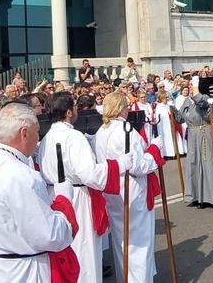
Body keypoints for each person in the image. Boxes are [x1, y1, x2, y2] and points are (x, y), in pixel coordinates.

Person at [0, 103, 78, 282]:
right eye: (37, 132)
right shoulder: (21, 176)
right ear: (24, 133)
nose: (38, 138)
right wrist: (64, 200)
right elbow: (49, 236)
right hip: (24, 272)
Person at [37, 92, 132, 283]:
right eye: (74, 106)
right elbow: (90, 174)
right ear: (69, 112)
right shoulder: (73, 136)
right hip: (76, 197)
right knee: (84, 252)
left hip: (53, 196)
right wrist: (119, 164)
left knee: (66, 251)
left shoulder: (47, 137)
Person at [94, 91, 164, 283]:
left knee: (121, 240)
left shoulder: (101, 131)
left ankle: (127, 278)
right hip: (132, 190)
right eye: (125, 106)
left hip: (114, 191)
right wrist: (154, 150)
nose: (127, 109)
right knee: (139, 242)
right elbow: (138, 165)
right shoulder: (125, 129)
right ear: (120, 109)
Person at [176, 80, 213, 207]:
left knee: (207, 163)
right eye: (189, 86)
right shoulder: (187, 101)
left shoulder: (203, 98)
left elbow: (202, 104)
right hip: (192, 134)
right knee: (194, 163)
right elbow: (179, 118)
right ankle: (197, 196)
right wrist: (172, 110)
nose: (190, 88)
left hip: (203, 131)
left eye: (192, 85)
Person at [152, 90, 187, 160]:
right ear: (161, 99)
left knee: (175, 138)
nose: (166, 99)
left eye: (167, 97)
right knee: (167, 140)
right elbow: (160, 118)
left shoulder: (168, 105)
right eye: (165, 98)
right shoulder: (159, 107)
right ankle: (168, 154)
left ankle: (177, 152)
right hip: (165, 127)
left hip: (172, 124)